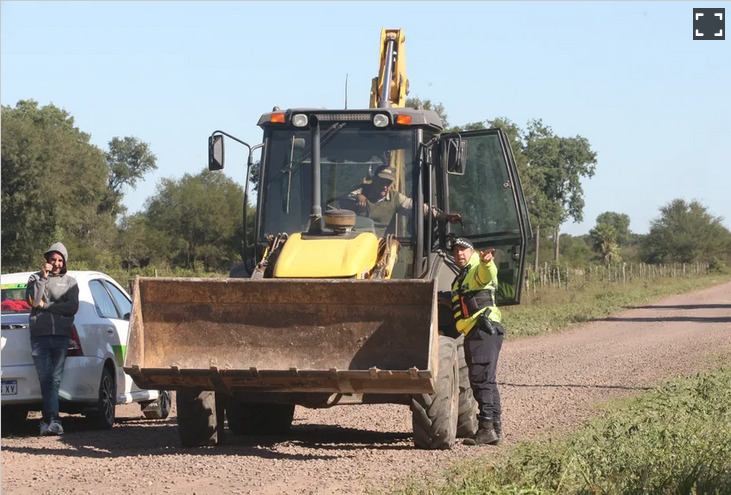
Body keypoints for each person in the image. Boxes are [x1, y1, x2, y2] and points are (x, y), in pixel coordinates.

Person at [448, 236, 505, 446]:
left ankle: (487, 428)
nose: (459, 254)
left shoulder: (476, 270)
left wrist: (487, 262)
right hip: (479, 331)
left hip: (483, 329)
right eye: (455, 251)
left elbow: (487, 273)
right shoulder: (462, 276)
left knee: (481, 381)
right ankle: (494, 429)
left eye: (463, 250)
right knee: (487, 381)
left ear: (472, 252)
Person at [25, 242, 79, 436]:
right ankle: (51, 420)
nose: (56, 263)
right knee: (46, 379)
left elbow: (72, 307)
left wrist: (46, 306)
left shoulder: (70, 282)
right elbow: (32, 301)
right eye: (53, 259)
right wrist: (43, 278)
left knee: (54, 380)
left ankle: (49, 421)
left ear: (64, 262)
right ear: (46, 260)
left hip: (61, 337)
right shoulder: (35, 278)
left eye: (59, 260)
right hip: (39, 337)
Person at [331, 165, 461, 235]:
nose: (385, 186)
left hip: (378, 244)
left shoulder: (395, 198)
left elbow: (419, 208)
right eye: (382, 181)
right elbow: (340, 201)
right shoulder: (360, 190)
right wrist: (357, 197)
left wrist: (445, 216)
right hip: (352, 240)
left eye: (388, 182)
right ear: (374, 180)